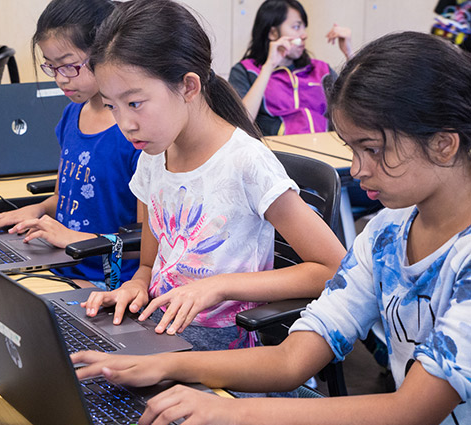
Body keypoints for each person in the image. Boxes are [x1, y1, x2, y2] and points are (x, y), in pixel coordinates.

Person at [73, 31, 471, 425]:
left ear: (443, 144)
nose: (357, 169)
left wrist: (233, 411)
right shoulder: (386, 233)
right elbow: (291, 359)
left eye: (371, 149)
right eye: (353, 149)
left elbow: (408, 415)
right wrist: (160, 367)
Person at [81, 0, 345, 351]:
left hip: (224, 348)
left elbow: (332, 268)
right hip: (160, 327)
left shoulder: (246, 162)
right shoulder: (153, 153)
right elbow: (149, 263)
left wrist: (220, 286)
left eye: (135, 103)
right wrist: (136, 284)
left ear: (189, 86)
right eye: (112, 106)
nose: (124, 124)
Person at [0, 0, 142, 289]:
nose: (60, 80)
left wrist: (76, 240)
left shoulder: (135, 133)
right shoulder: (72, 114)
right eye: (51, 67)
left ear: (107, 52)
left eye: (69, 66)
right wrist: (34, 210)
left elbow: (146, 246)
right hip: (60, 263)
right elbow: (64, 199)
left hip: (106, 280)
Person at [229, 0, 352, 136]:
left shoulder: (321, 70)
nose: (304, 35)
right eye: (296, 27)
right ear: (273, 33)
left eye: (304, 27)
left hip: (323, 150)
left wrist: (349, 55)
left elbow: (355, 111)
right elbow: (241, 124)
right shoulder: (245, 71)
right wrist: (269, 66)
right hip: (275, 154)